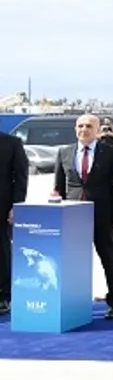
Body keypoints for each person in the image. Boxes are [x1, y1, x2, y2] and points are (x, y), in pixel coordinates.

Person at [52, 114, 113, 319]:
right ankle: (72, 300)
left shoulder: (110, 152)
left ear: (97, 130)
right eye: (80, 126)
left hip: (102, 215)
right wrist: (56, 208)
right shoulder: (65, 152)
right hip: (72, 216)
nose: (84, 130)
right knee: (72, 259)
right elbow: (59, 186)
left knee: (108, 258)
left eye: (88, 126)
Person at [0, 130, 30, 315]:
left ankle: (4, 296)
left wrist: (16, 205)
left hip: (2, 209)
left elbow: (21, 176)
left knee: (2, 252)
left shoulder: (11, 143)